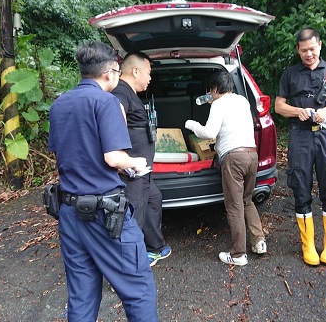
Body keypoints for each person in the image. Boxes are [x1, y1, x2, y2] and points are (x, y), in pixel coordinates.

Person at [48, 41, 158, 321]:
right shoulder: (106, 102)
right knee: (138, 289)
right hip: (105, 215)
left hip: (69, 213)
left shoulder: (59, 105)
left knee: (82, 295)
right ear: (109, 73)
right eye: (118, 73)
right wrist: (135, 163)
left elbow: (68, 155)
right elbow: (113, 158)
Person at [275, 28, 326, 266]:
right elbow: (278, 106)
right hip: (300, 136)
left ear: (320, 46)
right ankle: (308, 244)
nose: (309, 54)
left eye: (312, 49)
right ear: (298, 50)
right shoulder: (290, 74)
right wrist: (297, 111)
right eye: (304, 50)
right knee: (300, 185)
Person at [184, 71, 266, 266]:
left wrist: (191, 124)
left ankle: (238, 254)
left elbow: (209, 132)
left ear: (214, 89)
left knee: (234, 205)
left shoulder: (219, 104)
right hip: (252, 155)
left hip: (234, 159)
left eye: (210, 91)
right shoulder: (243, 101)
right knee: (247, 200)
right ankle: (259, 241)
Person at [111, 51, 171, 267]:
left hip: (143, 172)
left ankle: (154, 248)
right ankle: (128, 264)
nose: (150, 78)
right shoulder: (120, 93)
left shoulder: (130, 92)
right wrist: (123, 160)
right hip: (131, 172)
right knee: (132, 215)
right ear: (135, 71)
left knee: (154, 199)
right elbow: (115, 115)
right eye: (148, 73)